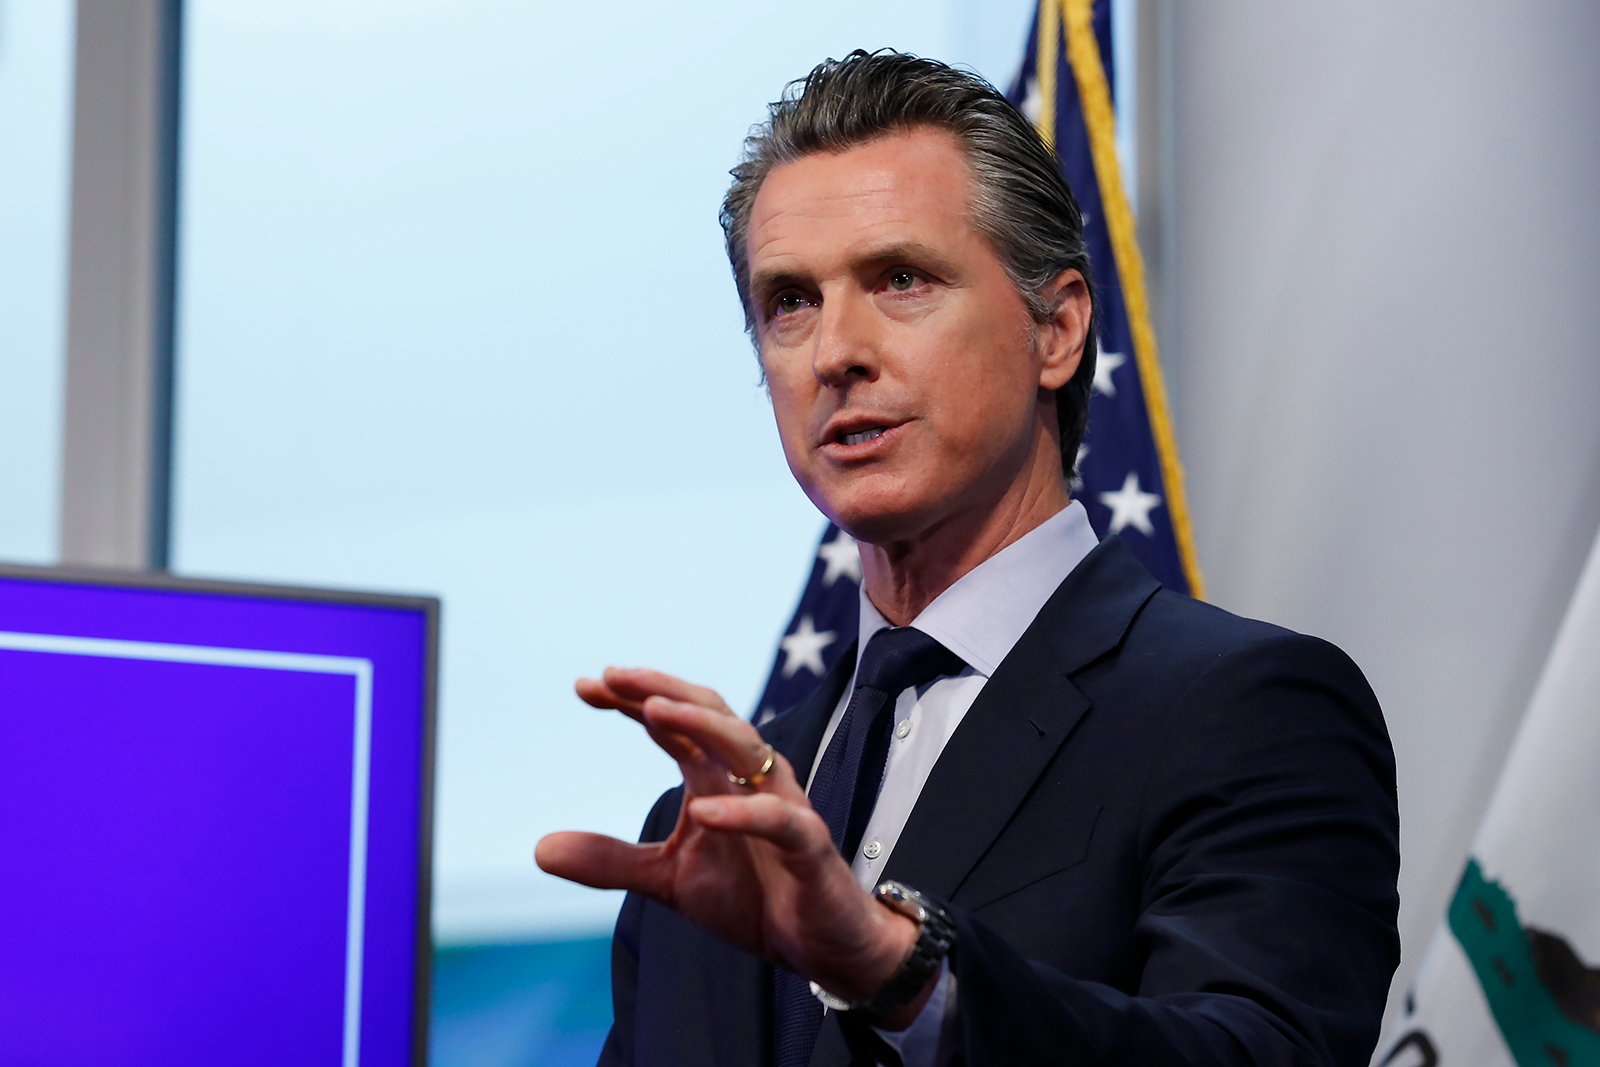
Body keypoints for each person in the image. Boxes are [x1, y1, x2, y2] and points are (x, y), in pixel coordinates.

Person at [536, 50, 1400, 1067]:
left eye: (900, 279)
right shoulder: (710, 829)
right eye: (789, 302)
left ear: (1058, 328)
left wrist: (903, 972)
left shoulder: (1242, 707)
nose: (833, 352)